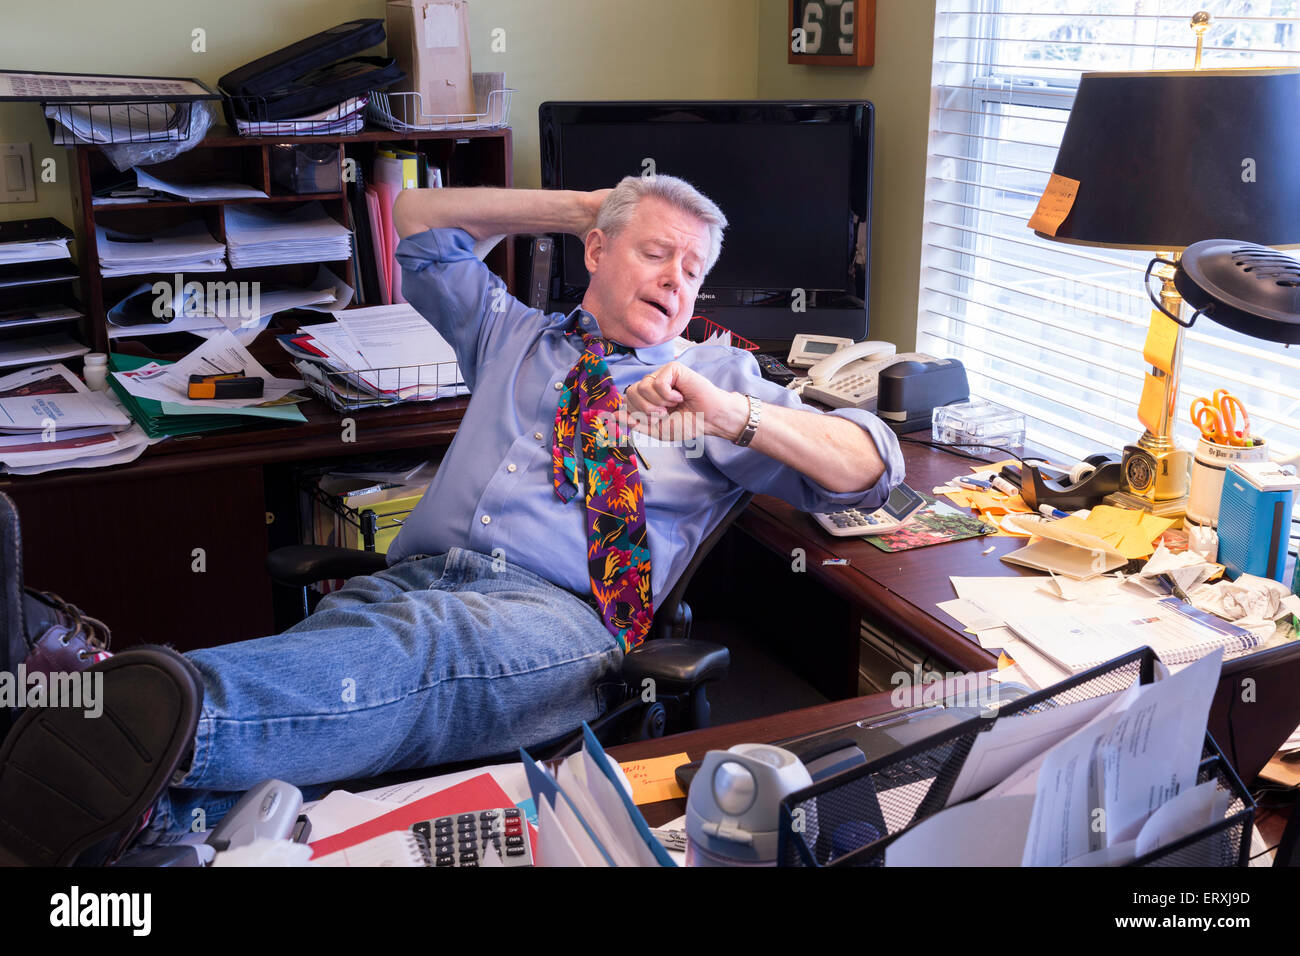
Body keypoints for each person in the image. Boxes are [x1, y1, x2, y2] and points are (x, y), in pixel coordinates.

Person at [0, 175, 903, 865]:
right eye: (656, 251)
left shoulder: (714, 382)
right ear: (597, 250)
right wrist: (585, 202)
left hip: (559, 627)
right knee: (359, 667)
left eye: (695, 267)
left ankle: (120, 711)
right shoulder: (516, 336)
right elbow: (417, 220)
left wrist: (729, 413)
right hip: (408, 582)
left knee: (419, 652)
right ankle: (135, 816)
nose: (678, 280)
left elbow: (872, 464)